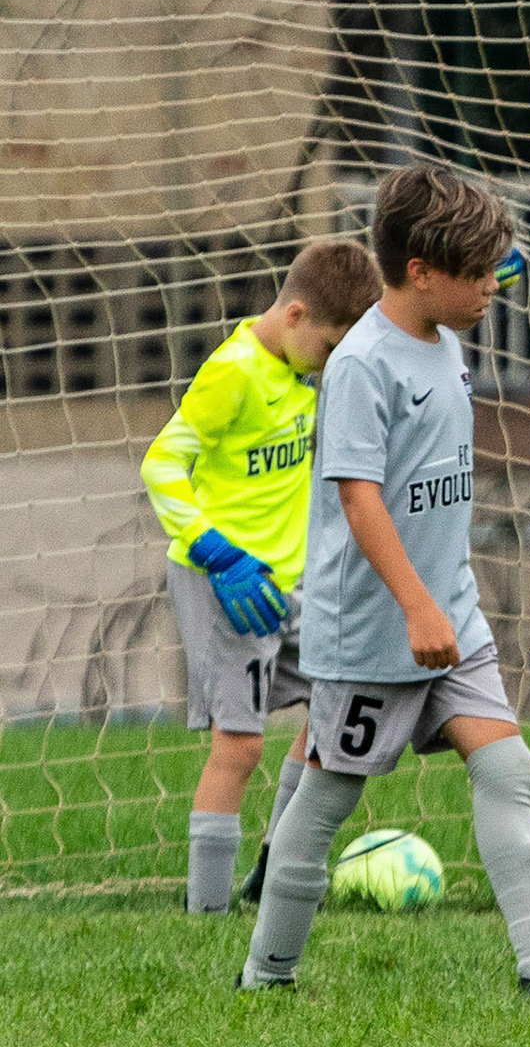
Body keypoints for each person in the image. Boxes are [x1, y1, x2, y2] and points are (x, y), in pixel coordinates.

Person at [237, 164, 530, 993]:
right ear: (420, 273)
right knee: (324, 806)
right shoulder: (361, 366)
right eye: (477, 274)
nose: (494, 286)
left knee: (508, 771)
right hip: (373, 635)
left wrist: (487, 249)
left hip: (451, 621)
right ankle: (266, 973)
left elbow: (483, 268)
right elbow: (359, 499)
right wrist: (418, 607)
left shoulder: (446, 336)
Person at [141, 239, 382, 914]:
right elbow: (161, 465)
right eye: (332, 348)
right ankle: (206, 913)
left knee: (337, 707)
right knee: (241, 746)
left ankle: (275, 866)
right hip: (225, 582)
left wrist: (467, 282)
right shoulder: (234, 373)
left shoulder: (304, 365)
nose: (335, 363)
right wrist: (219, 555)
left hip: (288, 582)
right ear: (298, 315)